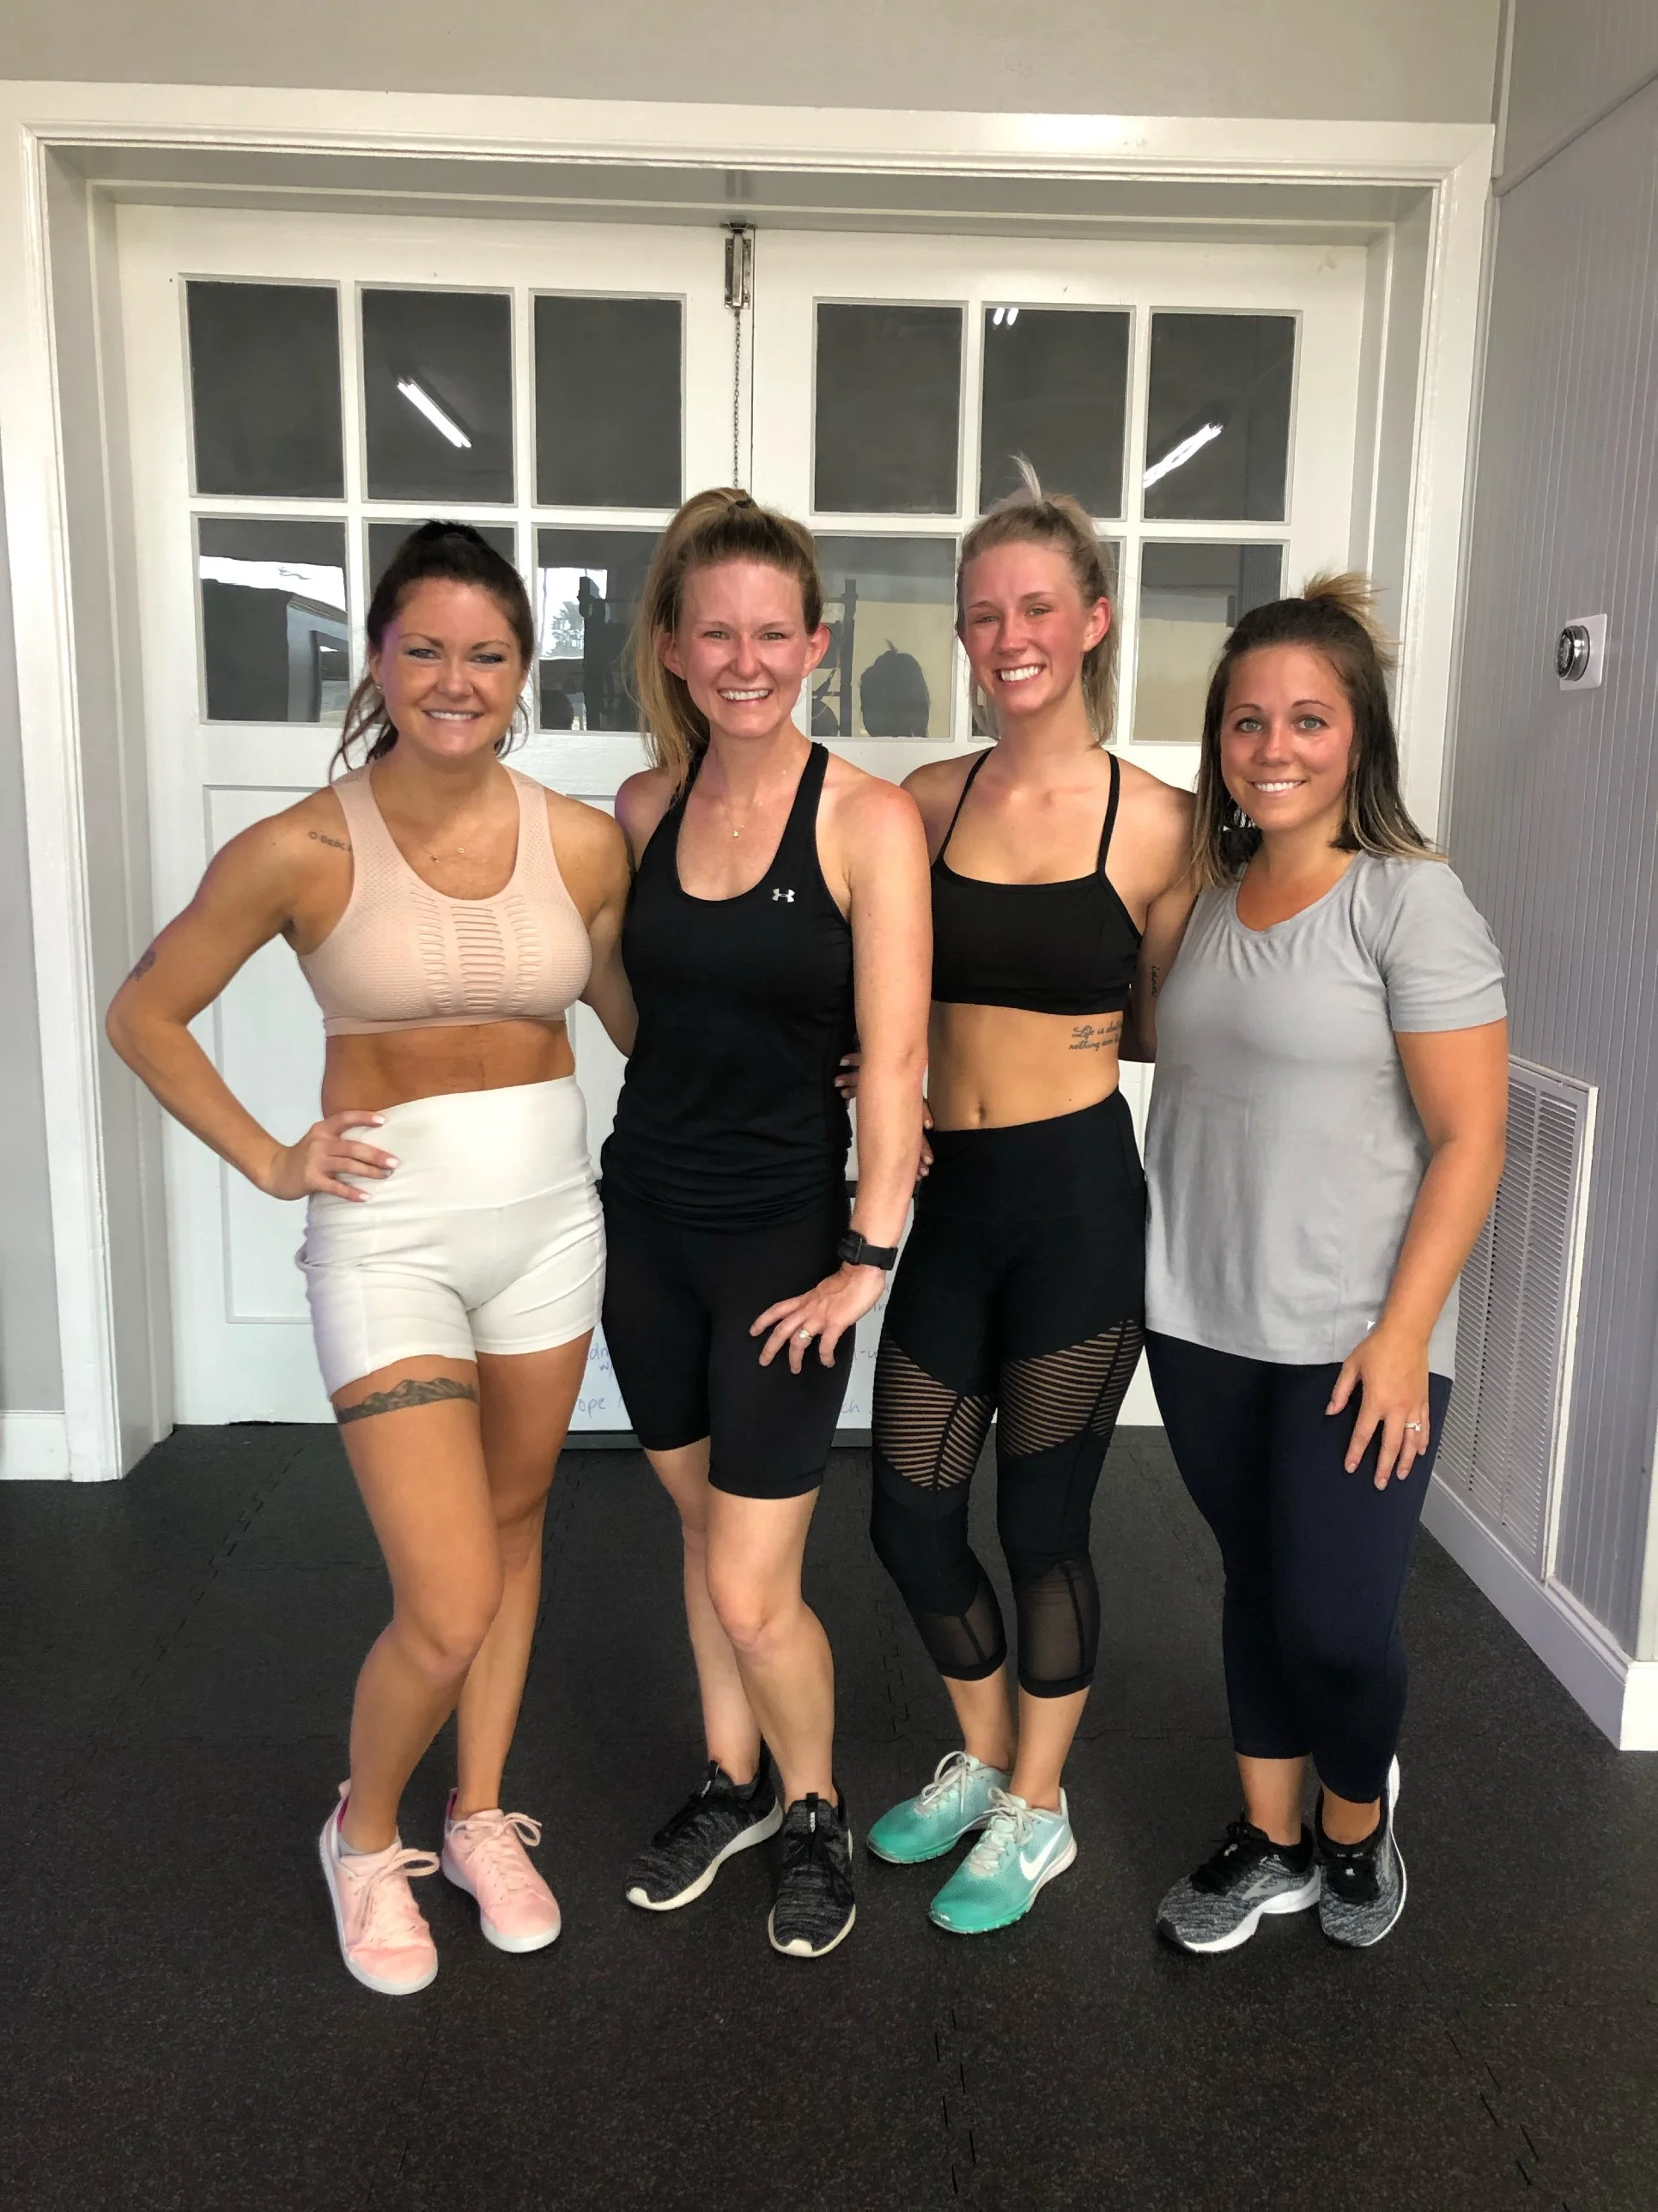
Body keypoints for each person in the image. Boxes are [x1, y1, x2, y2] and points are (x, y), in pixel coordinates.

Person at [106, 522, 635, 1996]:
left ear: (525, 672)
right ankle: (366, 1833)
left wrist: (824, 1064)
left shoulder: (581, 843)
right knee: (448, 1596)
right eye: (426, 650)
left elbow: (640, 1024)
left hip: (549, 1226)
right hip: (388, 1241)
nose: (456, 681)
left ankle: (478, 1816)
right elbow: (143, 1014)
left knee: (515, 1531)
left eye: (488, 654)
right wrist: (272, 1157)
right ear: (377, 660)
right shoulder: (300, 848)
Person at [1145, 575, 1507, 1954]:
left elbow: (1470, 1136)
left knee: (1337, 1623)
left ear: (1359, 737)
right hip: (1197, 1315)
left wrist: (1402, 1337)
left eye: (1307, 718)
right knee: (1255, 1583)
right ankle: (1270, 1837)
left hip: (1356, 1332)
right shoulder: (1200, 903)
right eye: (1247, 721)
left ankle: (1353, 1826)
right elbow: (1113, 1045)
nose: (1273, 747)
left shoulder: (1408, 902)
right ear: (1218, 741)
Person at [859, 469, 1195, 1935]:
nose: (1009, 637)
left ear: (1092, 621)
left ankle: (1039, 1812)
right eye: (983, 612)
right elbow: (875, 997)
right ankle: (989, 1761)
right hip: (953, 1201)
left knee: (1042, 1523)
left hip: (1074, 1202)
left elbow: (1171, 1027)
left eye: (1037, 608)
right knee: (907, 1517)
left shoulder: (1160, 822)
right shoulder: (922, 804)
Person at [602, 488, 929, 1960]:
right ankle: (730, 1782)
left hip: (783, 1244)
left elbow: (895, 1060)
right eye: (715, 633)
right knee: (702, 1532)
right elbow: (642, 1011)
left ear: (814, 646)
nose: (745, 660)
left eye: (772, 634)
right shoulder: (642, 810)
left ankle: (812, 1806)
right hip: (647, 1228)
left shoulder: (866, 820)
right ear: (674, 648)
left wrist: (867, 1256)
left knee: (749, 1583)